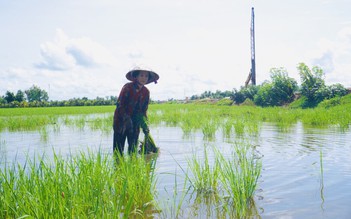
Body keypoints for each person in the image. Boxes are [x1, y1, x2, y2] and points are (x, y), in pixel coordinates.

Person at [113, 69, 159, 155]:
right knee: (118, 152)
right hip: (121, 123)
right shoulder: (127, 87)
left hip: (135, 123)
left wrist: (145, 124)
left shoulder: (146, 92)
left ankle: (132, 166)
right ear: (136, 77)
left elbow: (144, 110)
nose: (144, 78)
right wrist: (127, 119)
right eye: (141, 75)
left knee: (133, 151)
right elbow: (120, 105)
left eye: (146, 76)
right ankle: (118, 167)